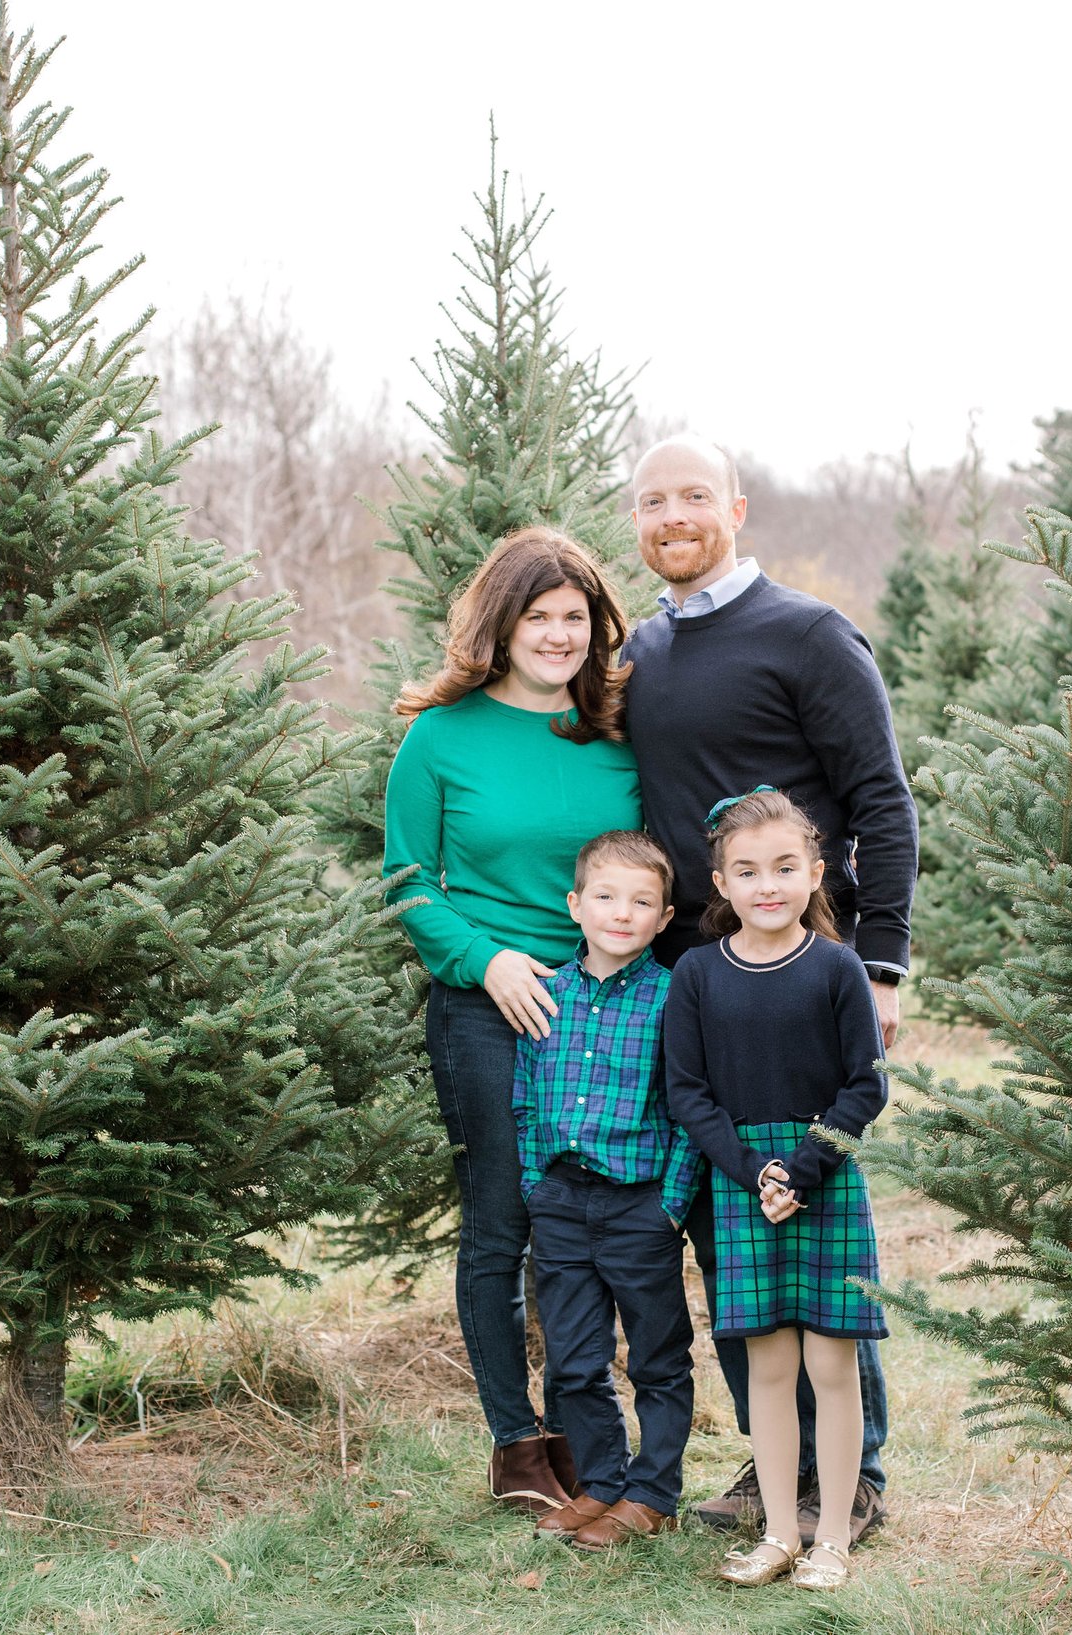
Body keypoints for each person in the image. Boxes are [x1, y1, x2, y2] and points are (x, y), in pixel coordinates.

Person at [622, 432, 916, 1545]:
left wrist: (880, 960)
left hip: (804, 968)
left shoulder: (805, 633)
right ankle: (770, 1459)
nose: (673, 514)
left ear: (736, 507)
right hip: (693, 977)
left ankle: (861, 1471)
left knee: (817, 1207)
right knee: (727, 1216)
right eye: (652, 501)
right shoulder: (640, 649)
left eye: (694, 494)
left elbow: (882, 799)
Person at [381, 527, 642, 1515]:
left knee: (587, 1227)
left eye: (574, 617)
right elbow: (407, 880)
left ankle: (587, 1428)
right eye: (539, 616)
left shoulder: (617, 732)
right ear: (502, 621)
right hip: (488, 1007)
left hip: (603, 1008)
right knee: (503, 1222)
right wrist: (484, 959)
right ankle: (516, 1443)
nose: (559, 634)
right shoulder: (441, 737)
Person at [662, 789, 890, 1592]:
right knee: (767, 1368)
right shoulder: (696, 974)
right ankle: (779, 1533)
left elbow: (867, 1086)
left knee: (831, 1365)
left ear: (816, 873)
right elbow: (687, 1093)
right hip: (740, 1182)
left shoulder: (836, 968)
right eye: (748, 870)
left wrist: (800, 1166)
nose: (768, 884)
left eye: (786, 867)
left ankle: (832, 1533)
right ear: (719, 882)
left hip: (819, 1172)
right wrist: (750, 1168)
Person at [514, 829, 700, 1554]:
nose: (622, 912)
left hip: (639, 1204)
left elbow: (690, 1107)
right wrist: (535, 1185)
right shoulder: (547, 996)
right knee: (573, 1359)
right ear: (576, 904)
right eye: (606, 896)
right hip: (561, 1202)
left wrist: (669, 1205)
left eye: (641, 901)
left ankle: (653, 1492)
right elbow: (525, 1101)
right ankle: (601, 1480)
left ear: (662, 916)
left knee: (657, 1354)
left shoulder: (673, 997)